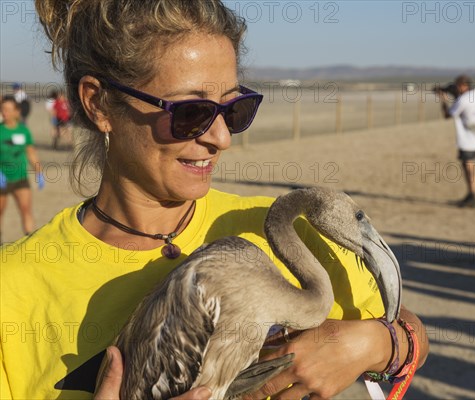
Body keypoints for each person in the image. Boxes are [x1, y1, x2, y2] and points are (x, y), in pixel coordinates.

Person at [0, 1, 428, 399]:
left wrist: (372, 344)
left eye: (233, 109)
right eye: (190, 113)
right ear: (98, 104)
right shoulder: (14, 286)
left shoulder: (276, 229)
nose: (221, 138)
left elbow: (407, 330)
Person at [437, 75, 475, 208]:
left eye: (458, 85)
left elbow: (448, 115)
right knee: (470, 166)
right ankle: (471, 194)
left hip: (467, 140)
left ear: (464, 86)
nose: (456, 88)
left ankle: (472, 195)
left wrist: (443, 100)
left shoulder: (463, 100)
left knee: (468, 166)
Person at [0, 96, 44, 244]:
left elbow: (31, 153)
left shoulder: (23, 131)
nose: (5, 112)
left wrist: (39, 172)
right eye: (3, 109)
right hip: (2, 179)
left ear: (16, 111)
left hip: (20, 178)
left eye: (8, 109)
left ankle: (29, 241)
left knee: (26, 209)